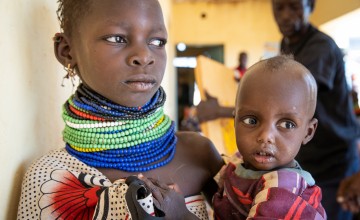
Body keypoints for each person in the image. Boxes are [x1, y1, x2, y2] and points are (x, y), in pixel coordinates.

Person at [16, 0, 224, 219]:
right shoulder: (49, 177)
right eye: (116, 38)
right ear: (67, 51)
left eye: (157, 41)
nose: (144, 56)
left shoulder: (200, 153)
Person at [196, 0, 360, 218]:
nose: (285, 15)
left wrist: (220, 111)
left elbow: (283, 103)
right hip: (303, 156)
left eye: (294, 7)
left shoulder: (320, 48)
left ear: (310, 7)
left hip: (333, 164)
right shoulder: (289, 43)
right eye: (279, 8)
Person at [142, 55, 327, 219]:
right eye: (252, 121)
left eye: (287, 124)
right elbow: (221, 191)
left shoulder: (284, 192)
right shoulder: (241, 162)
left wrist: (181, 215)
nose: (265, 136)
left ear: (308, 132)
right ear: (235, 120)